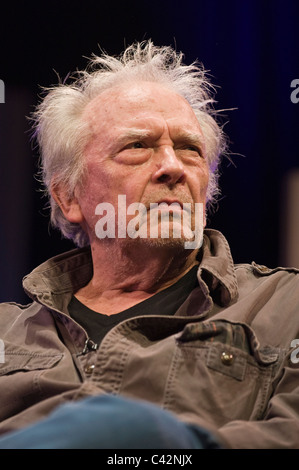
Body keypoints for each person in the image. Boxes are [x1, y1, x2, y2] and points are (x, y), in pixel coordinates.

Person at [0, 41, 298, 450]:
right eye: (137, 146)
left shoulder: (286, 307)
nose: (173, 167)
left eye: (189, 149)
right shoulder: (5, 333)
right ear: (69, 197)